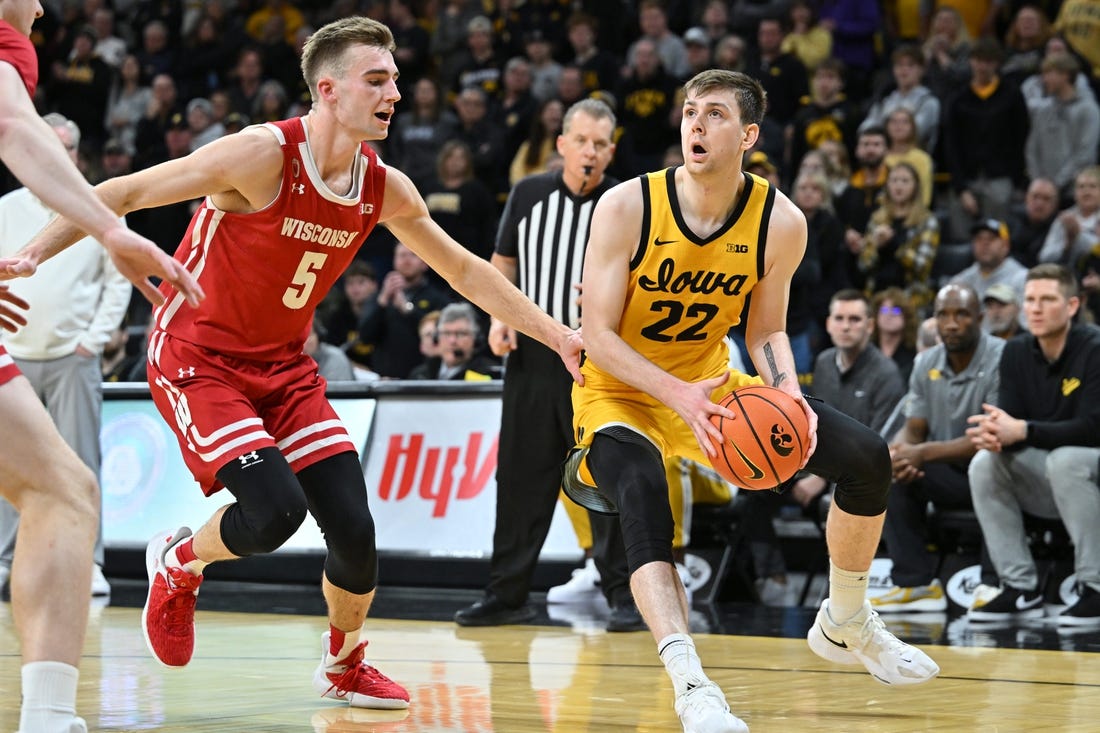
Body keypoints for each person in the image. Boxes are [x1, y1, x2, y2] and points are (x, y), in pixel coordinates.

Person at [7, 16, 583, 713]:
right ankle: (179, 561)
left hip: (283, 367)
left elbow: (463, 270)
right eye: (378, 79)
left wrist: (555, 333)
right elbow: (121, 192)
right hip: (199, 357)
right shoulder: (261, 155)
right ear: (329, 90)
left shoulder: (385, 186)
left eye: (397, 79)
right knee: (275, 510)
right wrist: (31, 255)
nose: (395, 92)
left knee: (355, 528)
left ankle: (342, 664)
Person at [563, 69, 938, 732]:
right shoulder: (627, 205)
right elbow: (596, 335)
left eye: (714, 114)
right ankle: (690, 683)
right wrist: (677, 395)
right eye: (689, 113)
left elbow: (764, 330)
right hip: (621, 390)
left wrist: (788, 394)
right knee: (644, 494)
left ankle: (846, 617)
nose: (696, 126)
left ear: (749, 134)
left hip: (713, 386)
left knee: (866, 455)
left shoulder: (780, 221)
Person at [0, 4, 202, 732]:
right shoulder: (6, 42)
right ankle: (48, 717)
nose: (42, 7)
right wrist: (112, 228)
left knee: (63, 486)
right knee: (62, 490)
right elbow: (15, 128)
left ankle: (50, 717)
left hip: (57, 349)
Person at [453, 98, 646, 629]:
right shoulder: (528, 193)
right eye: (581, 141)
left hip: (601, 361)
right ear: (560, 145)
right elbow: (503, 263)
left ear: (612, 151)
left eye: (601, 144)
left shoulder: (626, 202)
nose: (590, 152)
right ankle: (506, 593)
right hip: (535, 359)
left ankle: (623, 595)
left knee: (606, 478)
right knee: (520, 480)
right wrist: (497, 319)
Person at [0, 112, 132, 600]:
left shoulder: (95, 202)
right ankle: (6, 560)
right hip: (13, 354)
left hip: (73, 356)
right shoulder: (6, 207)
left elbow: (118, 280)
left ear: (75, 154)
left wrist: (92, 341)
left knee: (82, 462)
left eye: (64, 146)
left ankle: (88, 564)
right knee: (12, 465)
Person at [966, 264, 1100, 626]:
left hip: (1087, 470)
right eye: (1030, 300)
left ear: (1072, 305)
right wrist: (994, 434)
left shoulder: (1094, 348)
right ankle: (1020, 587)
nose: (1035, 309)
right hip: (1055, 478)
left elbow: (1093, 427)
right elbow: (1010, 420)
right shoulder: (1015, 352)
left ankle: (1095, 586)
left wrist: (1022, 431)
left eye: (1047, 300)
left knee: (1067, 459)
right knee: (984, 463)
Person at [873, 283, 1003, 613]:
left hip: (996, 468)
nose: (951, 324)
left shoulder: (1003, 357)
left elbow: (991, 436)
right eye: (943, 315)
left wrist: (923, 453)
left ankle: (994, 583)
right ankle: (916, 585)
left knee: (990, 468)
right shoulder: (925, 362)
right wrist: (902, 454)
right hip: (946, 472)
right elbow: (915, 427)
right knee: (894, 476)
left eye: (961, 314)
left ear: (980, 318)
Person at [407, 302, 498, 380]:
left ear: (476, 339)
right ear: (436, 338)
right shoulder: (420, 375)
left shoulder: (489, 373)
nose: (452, 341)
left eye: (461, 334)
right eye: (446, 333)